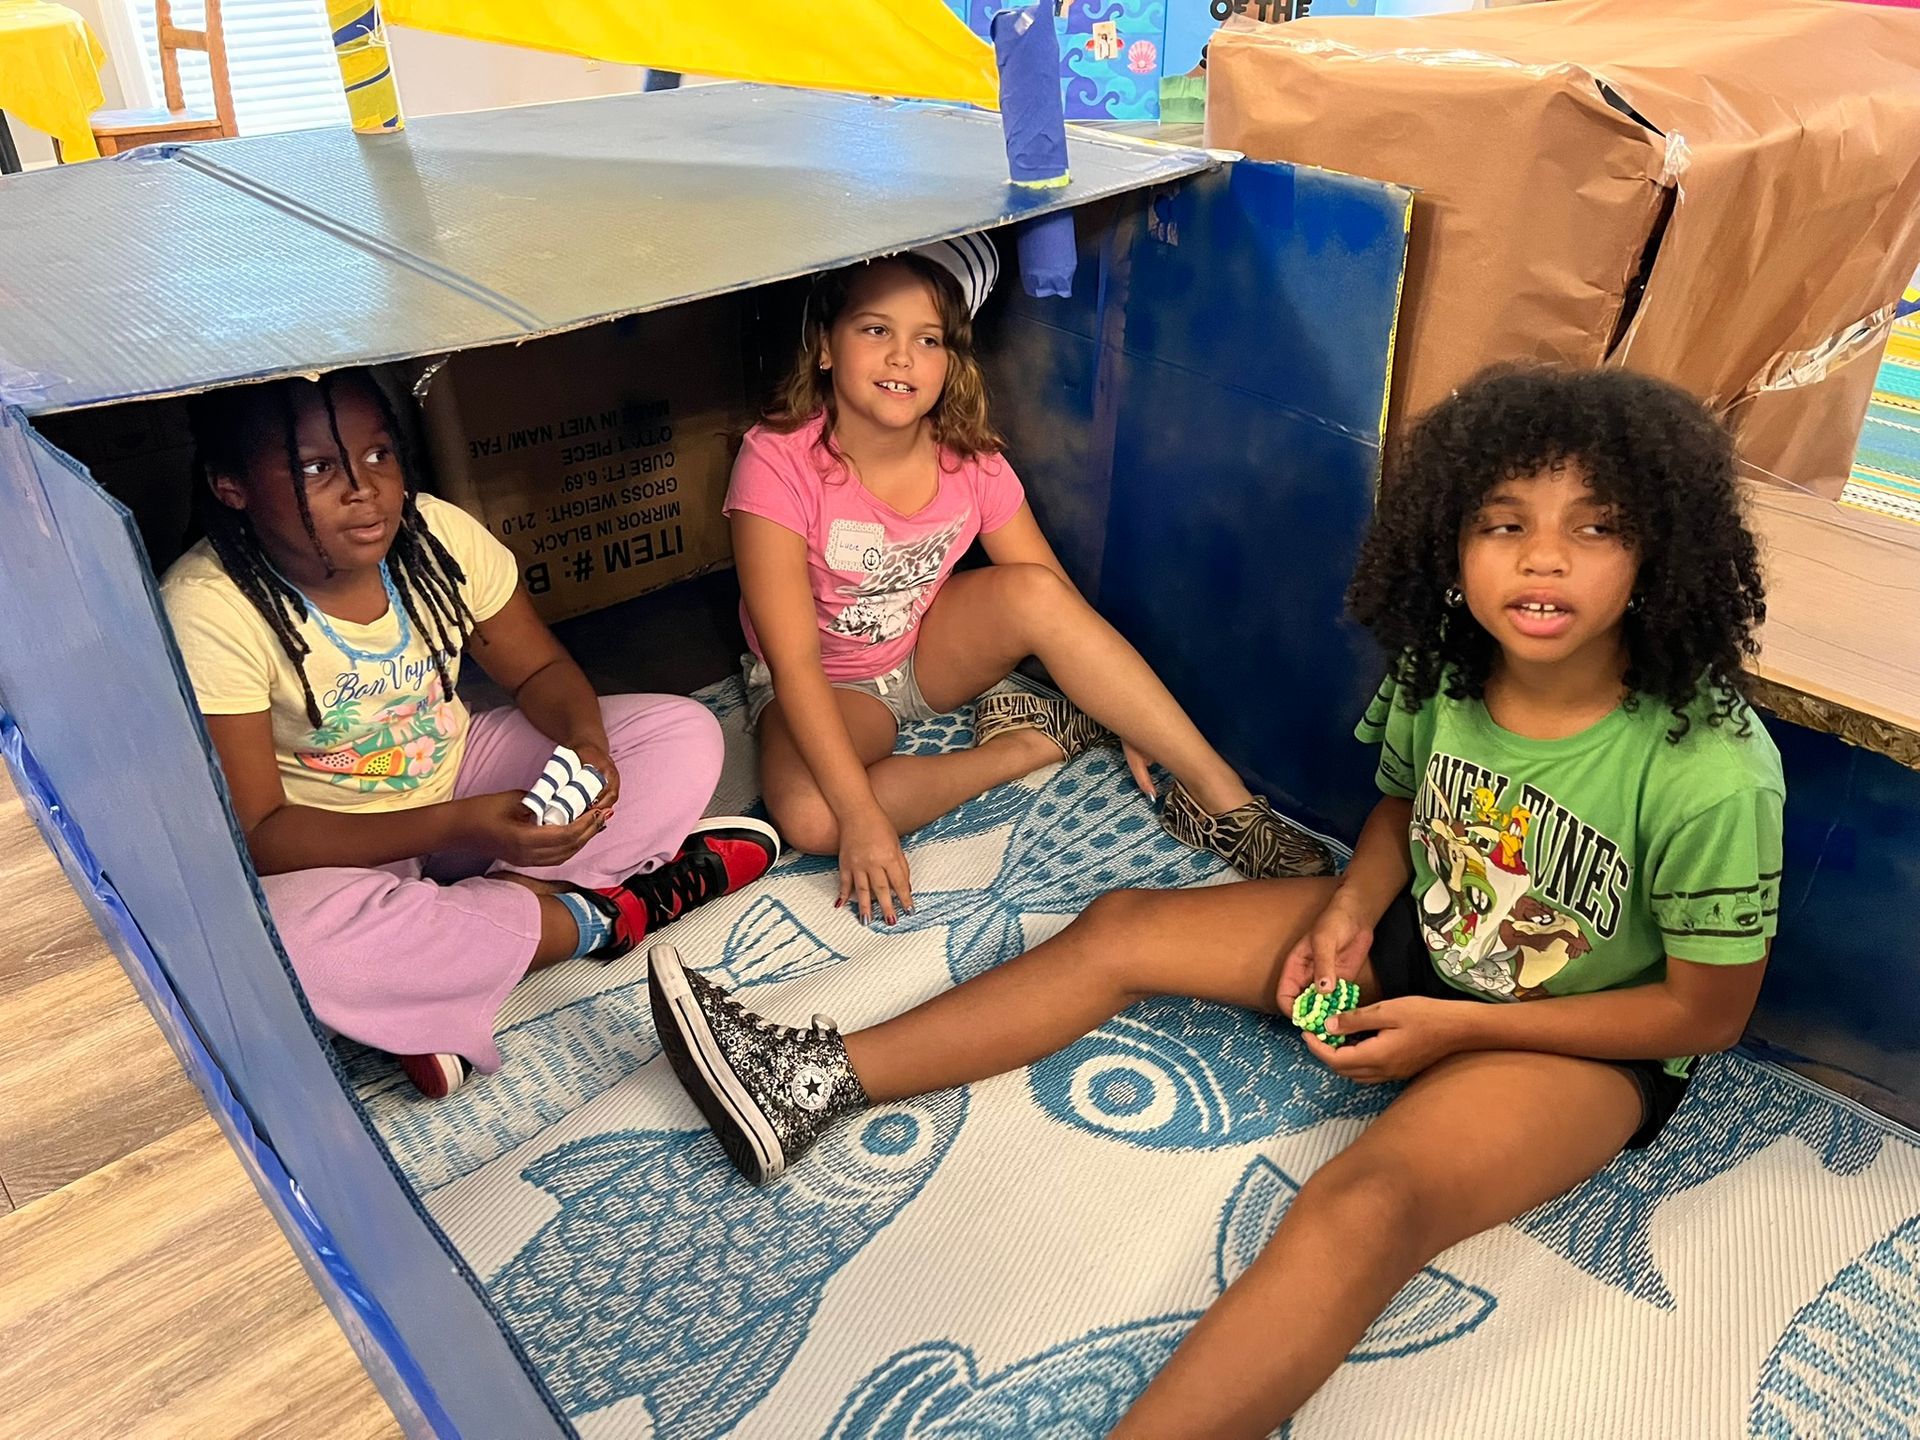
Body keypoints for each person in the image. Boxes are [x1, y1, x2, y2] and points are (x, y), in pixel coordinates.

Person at [651, 365, 1783, 1436]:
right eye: (1505, 524)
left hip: (1572, 1040)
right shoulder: (1445, 671)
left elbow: (1703, 1018)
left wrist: (1462, 1027)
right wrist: (1345, 918)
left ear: (1657, 551)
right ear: (1453, 541)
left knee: (1365, 1208)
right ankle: (811, 1078)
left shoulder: (1712, 767)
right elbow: (1402, 811)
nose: (1544, 562)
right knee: (1121, 928)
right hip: (1421, 939)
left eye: (1594, 528)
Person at [161, 370, 777, 1098]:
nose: (365, 489)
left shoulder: (435, 535)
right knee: (284, 944)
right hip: (338, 842)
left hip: (460, 773)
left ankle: (461, 955)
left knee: (680, 734)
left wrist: (588, 745)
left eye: (379, 455)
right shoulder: (209, 608)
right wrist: (466, 826)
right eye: (317, 468)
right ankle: (598, 917)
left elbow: (540, 666)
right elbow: (262, 833)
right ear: (231, 486)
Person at [730, 234, 1330, 925]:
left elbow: (1052, 599)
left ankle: (1222, 800)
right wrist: (863, 819)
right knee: (812, 816)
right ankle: (1024, 747)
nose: (902, 358)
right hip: (827, 681)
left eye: (930, 341)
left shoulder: (969, 460)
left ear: (952, 360)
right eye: (875, 330)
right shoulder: (775, 462)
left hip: (924, 653)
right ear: (826, 344)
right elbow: (796, 660)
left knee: (1034, 591)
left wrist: (1119, 704)